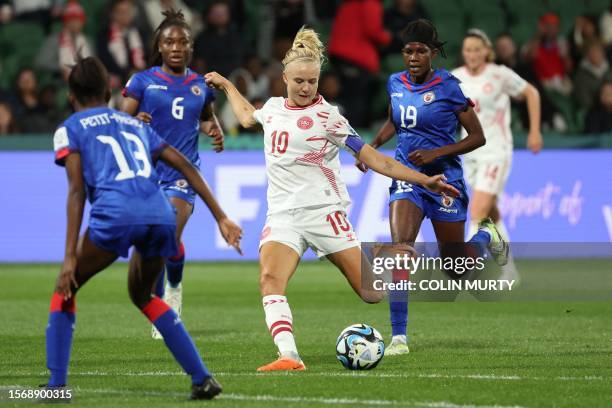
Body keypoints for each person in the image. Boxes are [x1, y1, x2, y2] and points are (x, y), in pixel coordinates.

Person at [205, 26, 460, 371]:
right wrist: (226, 84)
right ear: (284, 79)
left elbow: (376, 158)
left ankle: (384, 254)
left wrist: (424, 180)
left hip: (325, 215)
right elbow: (248, 116)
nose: (306, 87)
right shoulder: (274, 108)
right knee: (269, 279)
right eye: (299, 81)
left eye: (311, 81)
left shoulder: (330, 118)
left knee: (372, 294)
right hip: (283, 216)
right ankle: (289, 356)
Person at [45, 56, 241, 400]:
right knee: (143, 295)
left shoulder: (71, 127)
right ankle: (202, 378)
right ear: (108, 92)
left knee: (66, 290)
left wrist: (68, 259)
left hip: (116, 214)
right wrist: (221, 216)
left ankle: (55, 387)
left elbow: (76, 192)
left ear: (71, 95)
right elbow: (186, 167)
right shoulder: (135, 124)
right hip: (159, 214)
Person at [357, 20, 509, 356]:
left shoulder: (449, 87)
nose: (414, 57)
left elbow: (477, 136)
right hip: (407, 176)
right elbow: (395, 122)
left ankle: (486, 236)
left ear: (433, 53)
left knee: (457, 269)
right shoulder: (395, 83)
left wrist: (437, 152)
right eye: (409, 51)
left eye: (421, 51)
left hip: (444, 181)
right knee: (401, 249)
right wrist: (372, 148)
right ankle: (399, 337)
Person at [121, 9, 224, 338]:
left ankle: (171, 294)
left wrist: (214, 129)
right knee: (155, 241)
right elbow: (122, 123)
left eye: (183, 41)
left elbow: (205, 117)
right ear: (160, 47)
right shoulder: (143, 82)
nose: (176, 46)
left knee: (169, 232)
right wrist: (137, 122)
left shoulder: (199, 85)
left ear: (191, 47)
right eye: (170, 41)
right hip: (148, 175)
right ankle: (168, 287)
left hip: (184, 175)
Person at [452, 28, 542, 281]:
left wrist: (535, 131)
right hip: (469, 153)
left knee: (477, 211)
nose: (472, 54)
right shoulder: (455, 78)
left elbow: (531, 93)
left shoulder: (500, 75)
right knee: (491, 214)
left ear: (486, 51)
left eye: (477, 49)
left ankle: (467, 269)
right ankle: (509, 269)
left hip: (496, 151)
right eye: (468, 50)